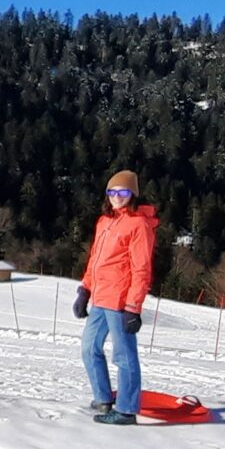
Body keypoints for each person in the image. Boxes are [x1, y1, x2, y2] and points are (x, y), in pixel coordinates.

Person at [73, 170, 157, 426]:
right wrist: (85, 290)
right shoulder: (105, 221)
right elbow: (95, 260)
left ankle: (126, 410)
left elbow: (141, 269)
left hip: (120, 301)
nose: (116, 197)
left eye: (122, 192)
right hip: (100, 297)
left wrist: (133, 307)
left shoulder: (139, 224)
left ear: (133, 194)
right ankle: (103, 398)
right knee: (89, 349)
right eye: (112, 192)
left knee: (123, 356)